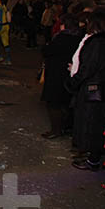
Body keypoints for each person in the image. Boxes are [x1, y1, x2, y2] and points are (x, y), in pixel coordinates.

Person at [68, 9, 105, 171]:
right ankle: (92, 155)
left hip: (93, 89)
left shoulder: (97, 42)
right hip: (97, 86)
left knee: (91, 125)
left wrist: (72, 82)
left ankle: (93, 159)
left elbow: (88, 68)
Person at [39, 13, 81, 139]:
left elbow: (48, 51)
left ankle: (56, 130)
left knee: (53, 103)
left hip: (56, 73)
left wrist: (46, 47)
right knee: (65, 102)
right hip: (69, 73)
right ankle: (65, 127)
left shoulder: (62, 38)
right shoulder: (78, 37)